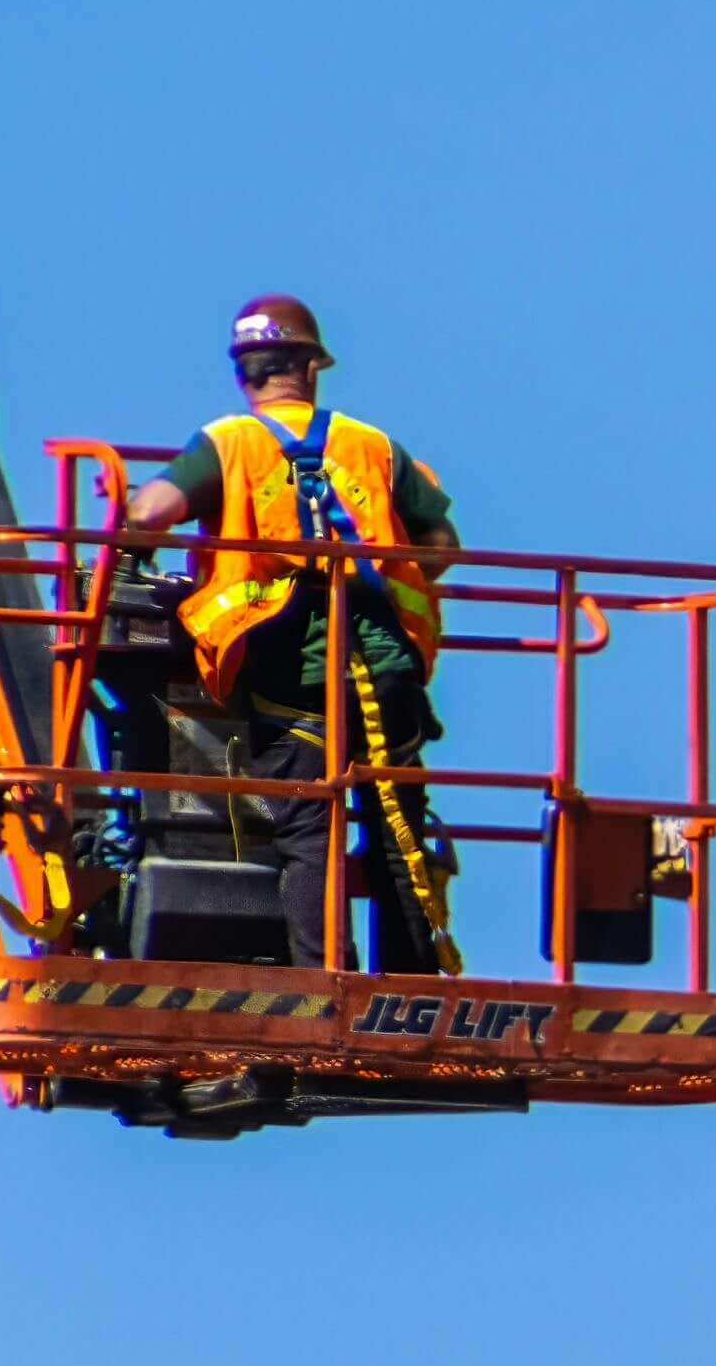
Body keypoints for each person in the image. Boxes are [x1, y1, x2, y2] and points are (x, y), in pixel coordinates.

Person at [122, 296, 463, 970]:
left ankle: (322, 983)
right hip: (383, 657)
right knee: (398, 829)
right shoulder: (371, 445)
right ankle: (414, 987)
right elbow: (442, 546)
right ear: (310, 369)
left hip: (290, 664)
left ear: (245, 375)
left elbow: (149, 514)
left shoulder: (228, 442)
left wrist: (133, 525)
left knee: (310, 829)